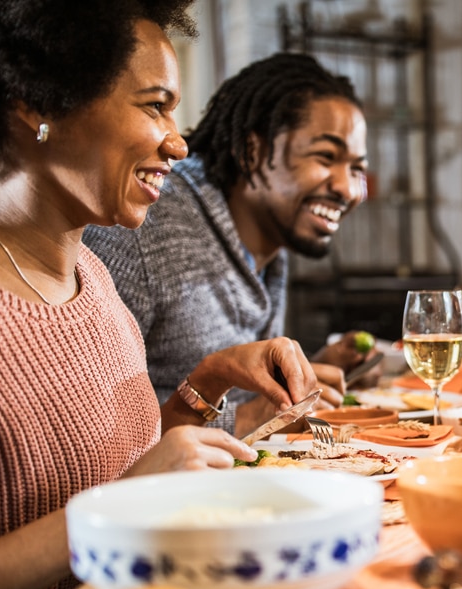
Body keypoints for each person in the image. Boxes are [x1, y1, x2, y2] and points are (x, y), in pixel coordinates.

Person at [0, 0, 322, 589]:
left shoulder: (92, 277)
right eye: (155, 107)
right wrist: (110, 510)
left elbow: (114, 474)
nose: (178, 144)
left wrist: (204, 396)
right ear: (34, 104)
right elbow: (105, 506)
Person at [84, 52, 372, 435]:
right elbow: (89, 426)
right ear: (253, 151)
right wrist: (249, 418)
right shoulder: (144, 222)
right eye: (325, 157)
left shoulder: (270, 235)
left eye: (357, 168)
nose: (348, 188)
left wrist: (299, 380)